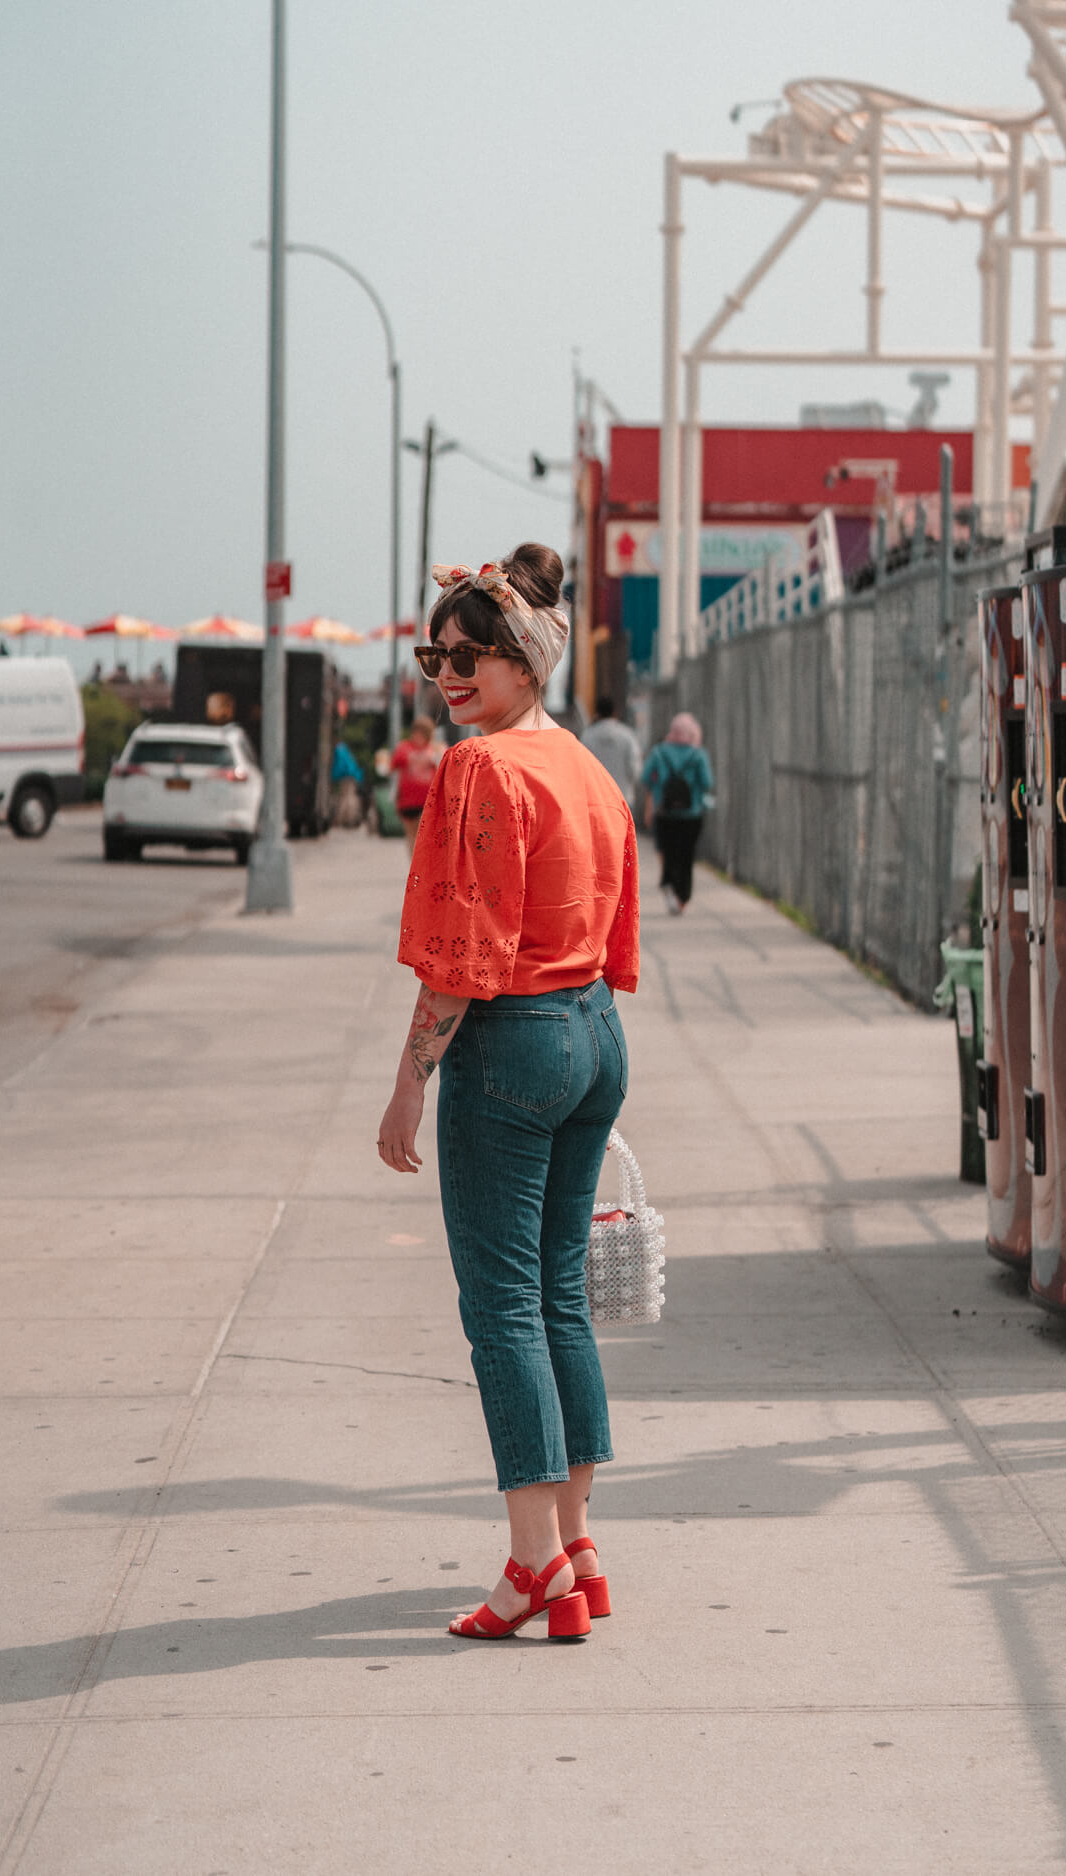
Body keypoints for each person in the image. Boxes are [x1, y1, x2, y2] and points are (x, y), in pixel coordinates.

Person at [377, 544, 639, 1643]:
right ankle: (576, 1542)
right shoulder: (582, 764)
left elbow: (460, 953)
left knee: (502, 1310)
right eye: (437, 653)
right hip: (593, 1034)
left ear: (523, 659)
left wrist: (407, 1079)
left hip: (513, 1040)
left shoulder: (481, 771)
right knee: (558, 1295)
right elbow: (618, 919)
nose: (449, 673)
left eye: (471, 656)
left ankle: (532, 1564)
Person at [642, 710, 714, 915]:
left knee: (667, 851)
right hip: (692, 814)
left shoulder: (659, 752)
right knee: (686, 856)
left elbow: (647, 778)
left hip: (664, 813)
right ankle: (683, 895)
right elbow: (707, 782)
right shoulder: (699, 754)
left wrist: (651, 804)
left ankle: (669, 883)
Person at [389, 714, 444, 850]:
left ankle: (422, 866)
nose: (417, 737)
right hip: (407, 801)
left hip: (428, 800)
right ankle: (414, 867)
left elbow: (443, 767)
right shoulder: (404, 747)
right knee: (411, 835)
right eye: (415, 733)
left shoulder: (435, 749)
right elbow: (393, 765)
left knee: (424, 835)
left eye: (421, 734)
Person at [580, 694, 642, 810]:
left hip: (596, 800)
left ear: (596, 712)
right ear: (614, 712)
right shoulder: (627, 735)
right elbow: (635, 770)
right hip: (623, 798)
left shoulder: (587, 736)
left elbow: (581, 768)